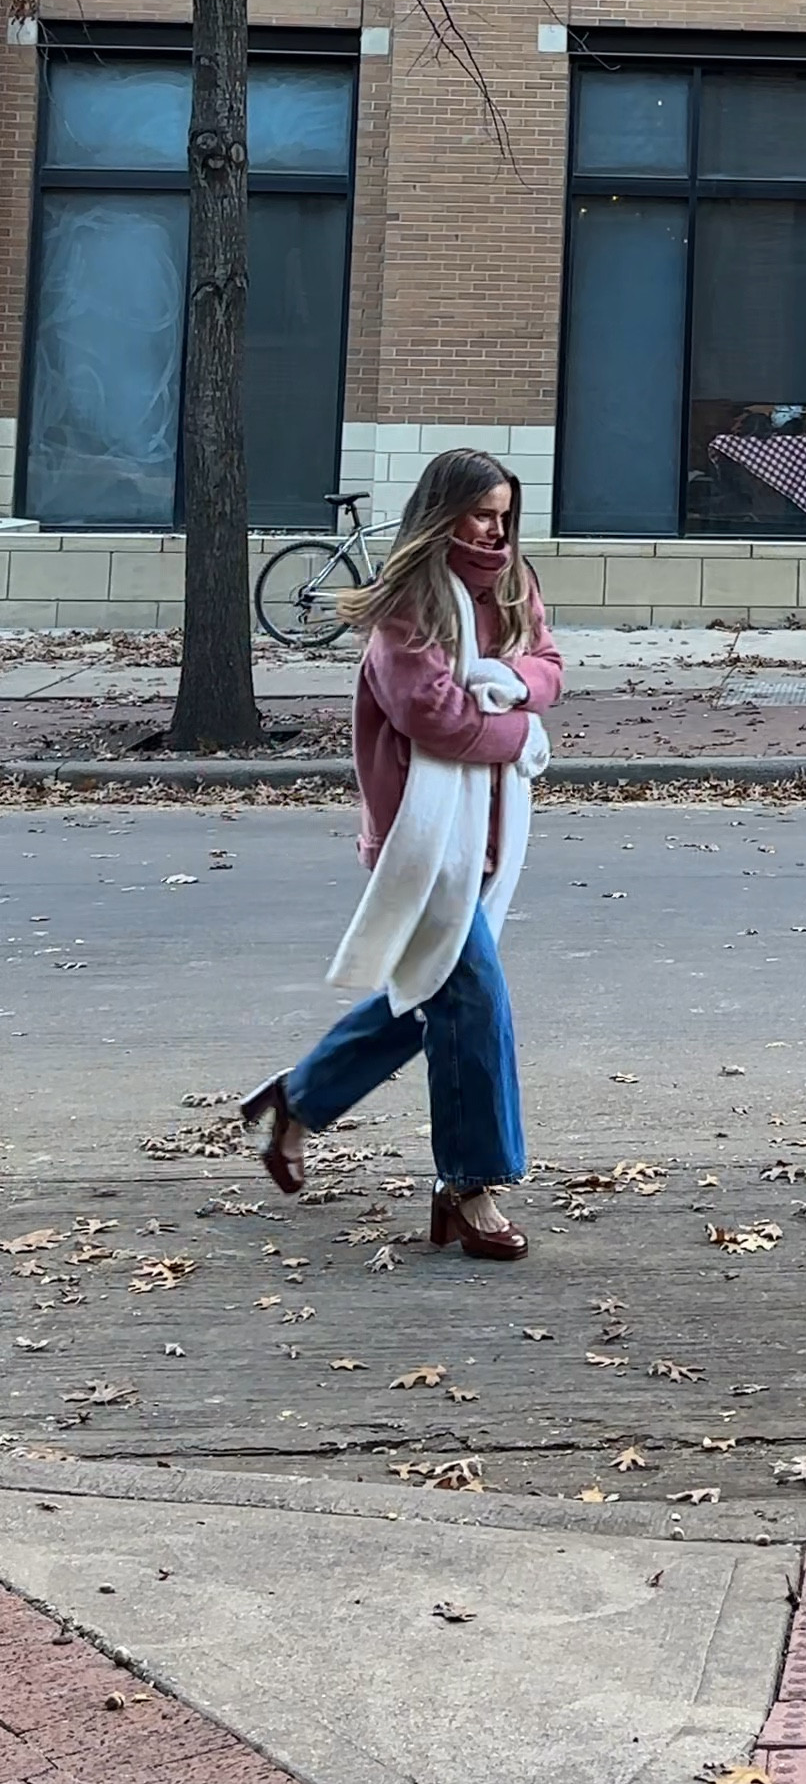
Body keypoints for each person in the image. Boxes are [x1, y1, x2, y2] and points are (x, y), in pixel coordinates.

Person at [241, 447, 562, 1260]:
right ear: (444, 511)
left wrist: (510, 681)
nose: (497, 529)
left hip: (492, 831)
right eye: (483, 513)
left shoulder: (516, 582)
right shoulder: (408, 605)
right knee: (475, 1004)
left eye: (504, 514)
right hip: (421, 846)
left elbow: (551, 666)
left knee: (435, 999)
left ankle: (298, 1099)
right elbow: (436, 717)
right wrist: (521, 726)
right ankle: (471, 1186)